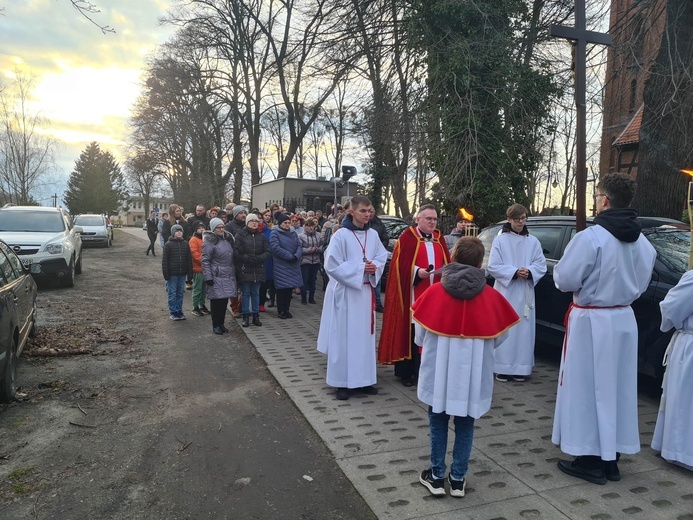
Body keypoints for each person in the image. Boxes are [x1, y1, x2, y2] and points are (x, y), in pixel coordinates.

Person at [552, 173, 656, 484]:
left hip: (592, 321)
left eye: (597, 197)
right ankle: (612, 457)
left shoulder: (591, 238)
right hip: (623, 319)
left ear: (605, 201)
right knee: (617, 388)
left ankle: (590, 458)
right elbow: (641, 285)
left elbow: (564, 279)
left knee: (585, 387)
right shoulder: (644, 242)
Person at [413, 237, 519, 496]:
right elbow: (500, 337)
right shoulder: (491, 297)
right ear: (480, 262)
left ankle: (437, 476)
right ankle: (458, 479)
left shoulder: (434, 292)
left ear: (453, 258)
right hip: (472, 373)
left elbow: (419, 336)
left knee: (437, 418)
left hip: (439, 371)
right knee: (466, 422)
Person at [317, 195, 388, 400]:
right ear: (352, 212)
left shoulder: (373, 235)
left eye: (369, 211)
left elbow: (381, 256)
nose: (368, 215)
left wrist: (374, 267)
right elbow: (331, 265)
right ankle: (342, 383)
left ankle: (364, 380)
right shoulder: (341, 236)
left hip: (365, 294)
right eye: (363, 211)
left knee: (364, 339)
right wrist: (359, 269)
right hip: (347, 294)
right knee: (344, 338)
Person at [378, 204, 451, 387]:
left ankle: (431, 371)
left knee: (431, 333)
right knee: (413, 332)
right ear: (418, 219)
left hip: (436, 294)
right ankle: (408, 372)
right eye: (429, 219)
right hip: (413, 294)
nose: (432, 222)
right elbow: (399, 267)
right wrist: (417, 273)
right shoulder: (407, 238)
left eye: (435, 219)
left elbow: (447, 263)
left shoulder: (439, 238)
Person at [488, 204, 547, 382]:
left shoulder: (533, 241)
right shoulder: (500, 240)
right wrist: (514, 272)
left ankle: (521, 368)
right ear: (509, 219)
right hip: (507, 291)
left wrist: (529, 271)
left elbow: (541, 264)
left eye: (523, 218)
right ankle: (501, 367)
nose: (521, 222)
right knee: (507, 328)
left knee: (523, 331)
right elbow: (493, 265)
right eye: (517, 219)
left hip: (525, 292)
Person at [651, 269, 693, 471]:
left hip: (690, 345)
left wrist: (669, 322)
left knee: (683, 397)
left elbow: (672, 308)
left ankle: (681, 452)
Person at [202, 218, 237, 335]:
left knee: (224, 301)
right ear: (213, 229)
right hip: (216, 275)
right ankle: (216, 324)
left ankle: (221, 324)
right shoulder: (209, 241)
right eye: (218, 227)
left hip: (228, 274)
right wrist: (208, 277)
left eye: (223, 227)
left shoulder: (228, 239)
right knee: (216, 301)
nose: (222, 229)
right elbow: (205, 260)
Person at [234, 213, 270, 327]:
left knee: (256, 293)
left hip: (258, 267)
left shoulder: (261, 236)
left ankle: (256, 315)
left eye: (256, 221)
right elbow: (237, 251)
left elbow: (268, 251)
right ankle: (245, 315)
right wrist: (247, 258)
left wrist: (259, 258)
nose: (254, 223)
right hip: (245, 268)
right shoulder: (240, 235)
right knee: (246, 293)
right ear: (247, 222)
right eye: (251, 221)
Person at [269, 212, 303, 319]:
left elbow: (299, 245)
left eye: (289, 222)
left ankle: (287, 309)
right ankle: (281, 310)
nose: (287, 224)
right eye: (285, 222)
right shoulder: (275, 233)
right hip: (281, 265)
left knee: (289, 290)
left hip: (293, 264)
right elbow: (275, 247)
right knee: (281, 290)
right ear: (280, 224)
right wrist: (289, 256)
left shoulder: (293, 233)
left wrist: (296, 255)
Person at [162, 224, 193, 321]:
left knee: (180, 293)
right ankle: (173, 312)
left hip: (182, 273)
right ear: (173, 233)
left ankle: (179, 310)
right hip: (172, 274)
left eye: (180, 231)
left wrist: (190, 273)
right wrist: (166, 274)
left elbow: (189, 259)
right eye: (177, 231)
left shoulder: (185, 244)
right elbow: (165, 261)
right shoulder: (168, 244)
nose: (179, 232)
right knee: (172, 293)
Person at [368, 209, 389, 312]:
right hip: (366, 260)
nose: (369, 214)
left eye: (371, 211)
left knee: (377, 282)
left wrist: (379, 250)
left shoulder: (379, 224)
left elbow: (385, 239)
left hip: (375, 259)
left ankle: (378, 303)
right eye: (367, 211)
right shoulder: (363, 225)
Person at [298, 218, 323, 304]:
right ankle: (303, 297)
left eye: (312, 226)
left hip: (315, 261)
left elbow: (323, 247)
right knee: (305, 280)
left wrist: (317, 249)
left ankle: (311, 297)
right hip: (305, 261)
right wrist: (309, 250)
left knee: (313, 280)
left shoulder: (319, 235)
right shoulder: (301, 236)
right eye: (308, 226)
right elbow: (299, 249)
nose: (311, 228)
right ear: (305, 227)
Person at [189, 221, 210, 317]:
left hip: (206, 268)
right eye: (200, 228)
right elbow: (195, 254)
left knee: (204, 289)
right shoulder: (193, 240)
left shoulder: (206, 239)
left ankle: (202, 305)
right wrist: (205, 260)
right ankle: (195, 306)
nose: (202, 230)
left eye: (203, 228)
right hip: (198, 268)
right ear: (196, 229)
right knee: (197, 289)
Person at [259, 210, 275, 311]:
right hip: (253, 261)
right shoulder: (248, 232)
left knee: (265, 283)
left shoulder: (270, 231)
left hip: (267, 261)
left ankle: (261, 303)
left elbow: (273, 245)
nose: (258, 220)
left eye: (260, 218)